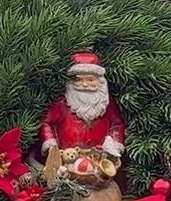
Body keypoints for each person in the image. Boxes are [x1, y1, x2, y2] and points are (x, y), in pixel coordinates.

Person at [39, 51, 126, 181]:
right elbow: (47, 123)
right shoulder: (62, 103)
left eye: (90, 80)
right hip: (69, 158)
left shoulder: (106, 103)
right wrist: (51, 145)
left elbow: (117, 123)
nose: (85, 85)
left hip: (98, 160)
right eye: (79, 80)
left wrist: (115, 143)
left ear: (100, 81)